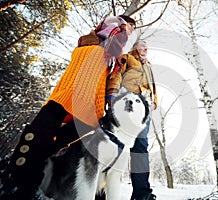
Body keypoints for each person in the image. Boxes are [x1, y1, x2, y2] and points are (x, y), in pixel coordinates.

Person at [0, 15, 136, 200]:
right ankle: (15, 182)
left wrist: (112, 100)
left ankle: (24, 179)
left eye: (131, 29)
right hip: (68, 89)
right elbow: (110, 27)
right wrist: (119, 26)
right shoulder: (100, 36)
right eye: (130, 26)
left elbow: (113, 81)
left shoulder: (117, 54)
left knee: (62, 141)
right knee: (41, 131)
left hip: (91, 97)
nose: (129, 30)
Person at [106, 40, 158, 200]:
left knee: (141, 148)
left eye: (147, 47)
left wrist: (154, 103)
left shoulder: (148, 65)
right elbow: (116, 74)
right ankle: (100, 189)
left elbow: (153, 87)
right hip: (125, 104)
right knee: (114, 144)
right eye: (142, 46)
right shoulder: (127, 58)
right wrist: (112, 94)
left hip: (143, 109)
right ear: (135, 47)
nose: (146, 48)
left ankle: (142, 193)